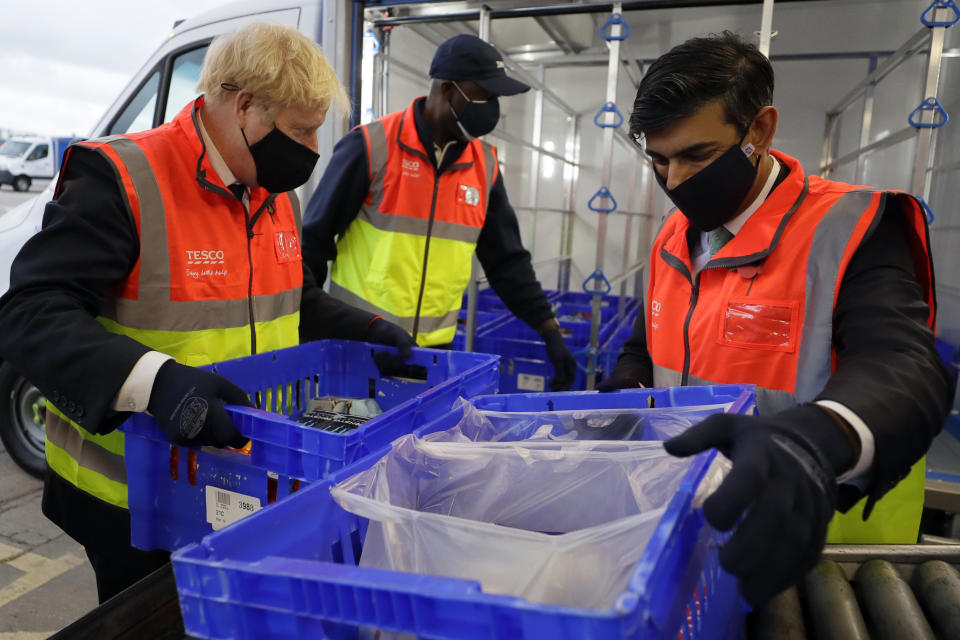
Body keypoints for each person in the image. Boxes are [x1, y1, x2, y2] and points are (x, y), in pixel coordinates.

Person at [0, 23, 413, 603]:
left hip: (240, 482)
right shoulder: (126, 179)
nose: (313, 151)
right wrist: (156, 382)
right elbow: (29, 313)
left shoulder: (275, 196)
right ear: (245, 107)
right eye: (302, 131)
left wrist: (364, 329)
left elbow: (291, 296)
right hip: (135, 498)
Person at [598, 32, 954, 605]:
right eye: (659, 160)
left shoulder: (847, 227)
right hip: (695, 529)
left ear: (759, 130)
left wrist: (817, 440)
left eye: (697, 155)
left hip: (823, 548)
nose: (675, 181)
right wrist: (624, 392)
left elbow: (903, 363)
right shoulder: (675, 235)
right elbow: (650, 342)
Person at [301, 34, 577, 391]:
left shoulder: (486, 167)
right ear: (448, 90)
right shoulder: (372, 147)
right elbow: (313, 243)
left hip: (431, 357)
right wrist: (312, 327)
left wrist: (549, 331)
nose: (492, 107)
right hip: (358, 347)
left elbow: (507, 261)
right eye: (485, 95)